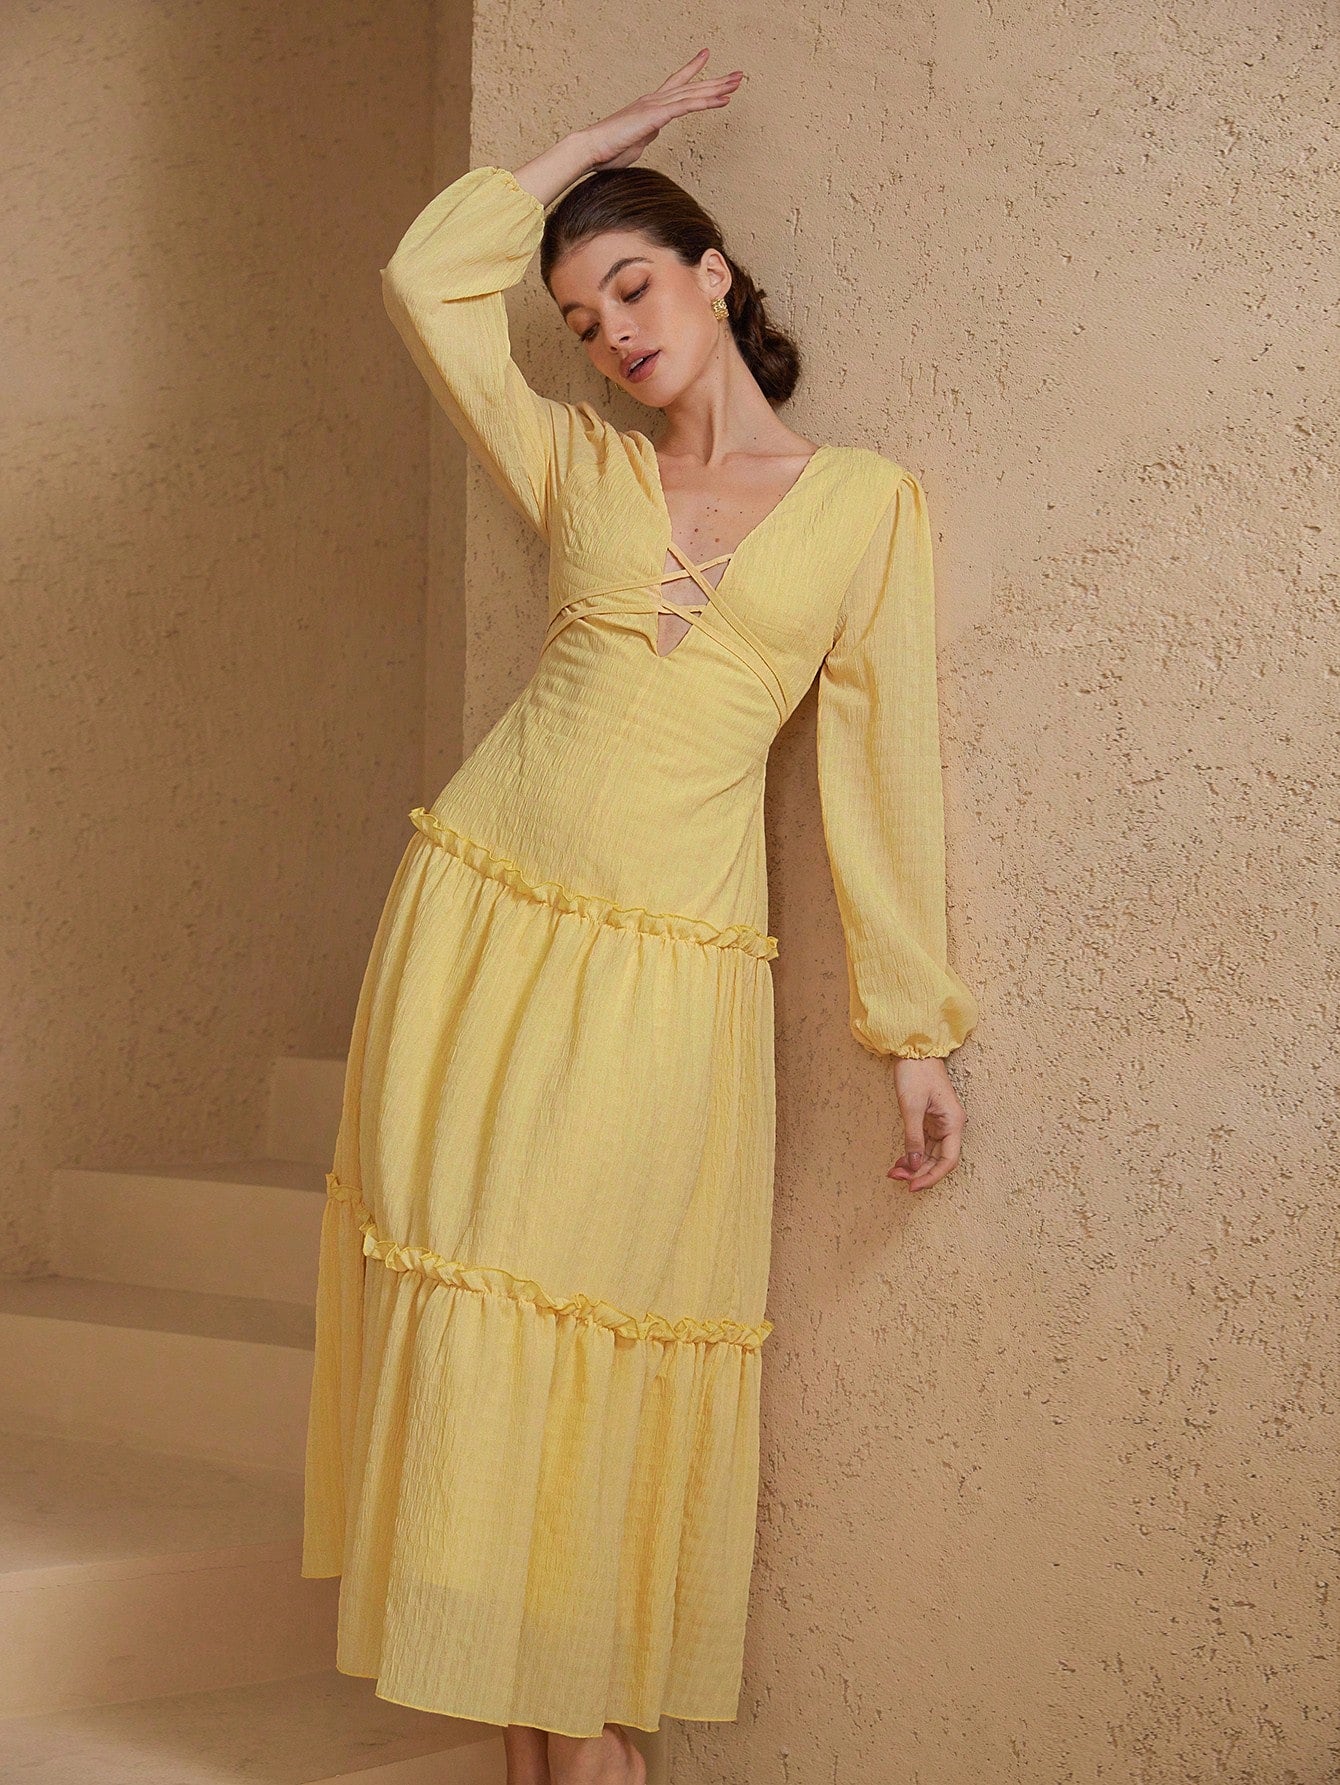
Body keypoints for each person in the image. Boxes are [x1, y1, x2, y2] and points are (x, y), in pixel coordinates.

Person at [302, 49, 979, 1785]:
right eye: (581, 316)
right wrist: (597, 142)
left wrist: (912, 1030)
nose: (609, 331)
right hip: (484, 923)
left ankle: (586, 1731)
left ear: (714, 274)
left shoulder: (863, 505)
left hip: (674, 973)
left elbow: (880, 770)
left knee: (597, 1329)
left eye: (632, 285)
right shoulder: (578, 470)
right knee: (490, 1314)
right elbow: (422, 280)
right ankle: (558, 1745)